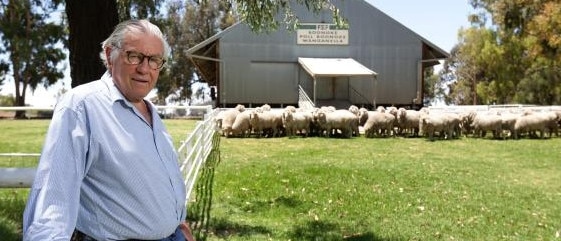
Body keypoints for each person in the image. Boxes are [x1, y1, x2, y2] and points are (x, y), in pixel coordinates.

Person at [23, 19, 195, 241]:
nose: (144, 68)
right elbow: (53, 199)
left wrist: (179, 224)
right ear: (110, 54)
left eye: (154, 60)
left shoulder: (150, 111)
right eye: (134, 56)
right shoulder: (82, 105)